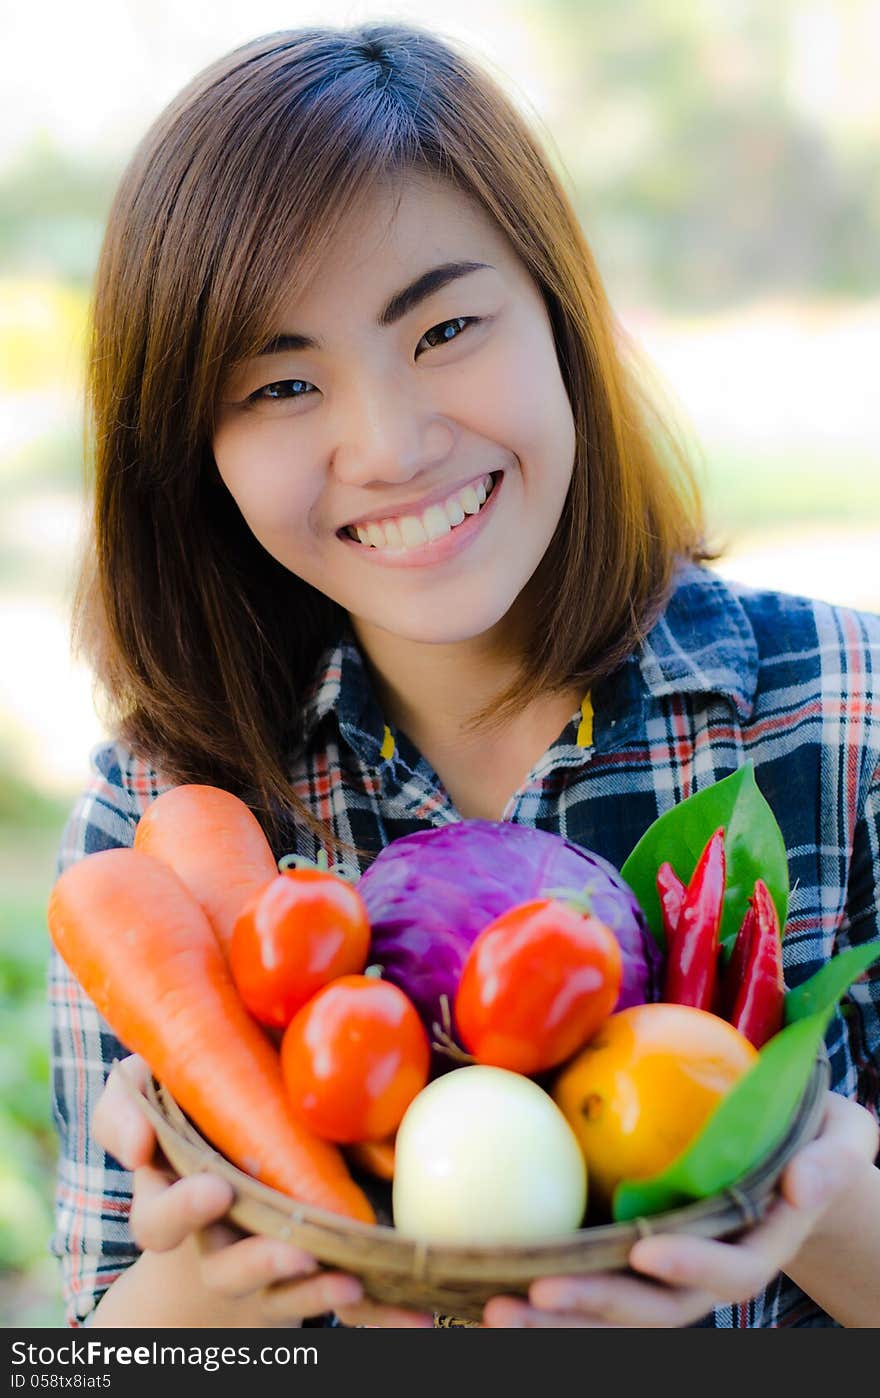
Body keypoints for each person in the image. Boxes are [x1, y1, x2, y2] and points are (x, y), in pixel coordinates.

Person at [49, 20, 880, 1331]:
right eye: (278, 385)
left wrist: (820, 1200)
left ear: (560, 311)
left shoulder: (846, 719)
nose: (388, 445)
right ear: (189, 450)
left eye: (442, 327)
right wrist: (213, 1269)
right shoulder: (159, 826)